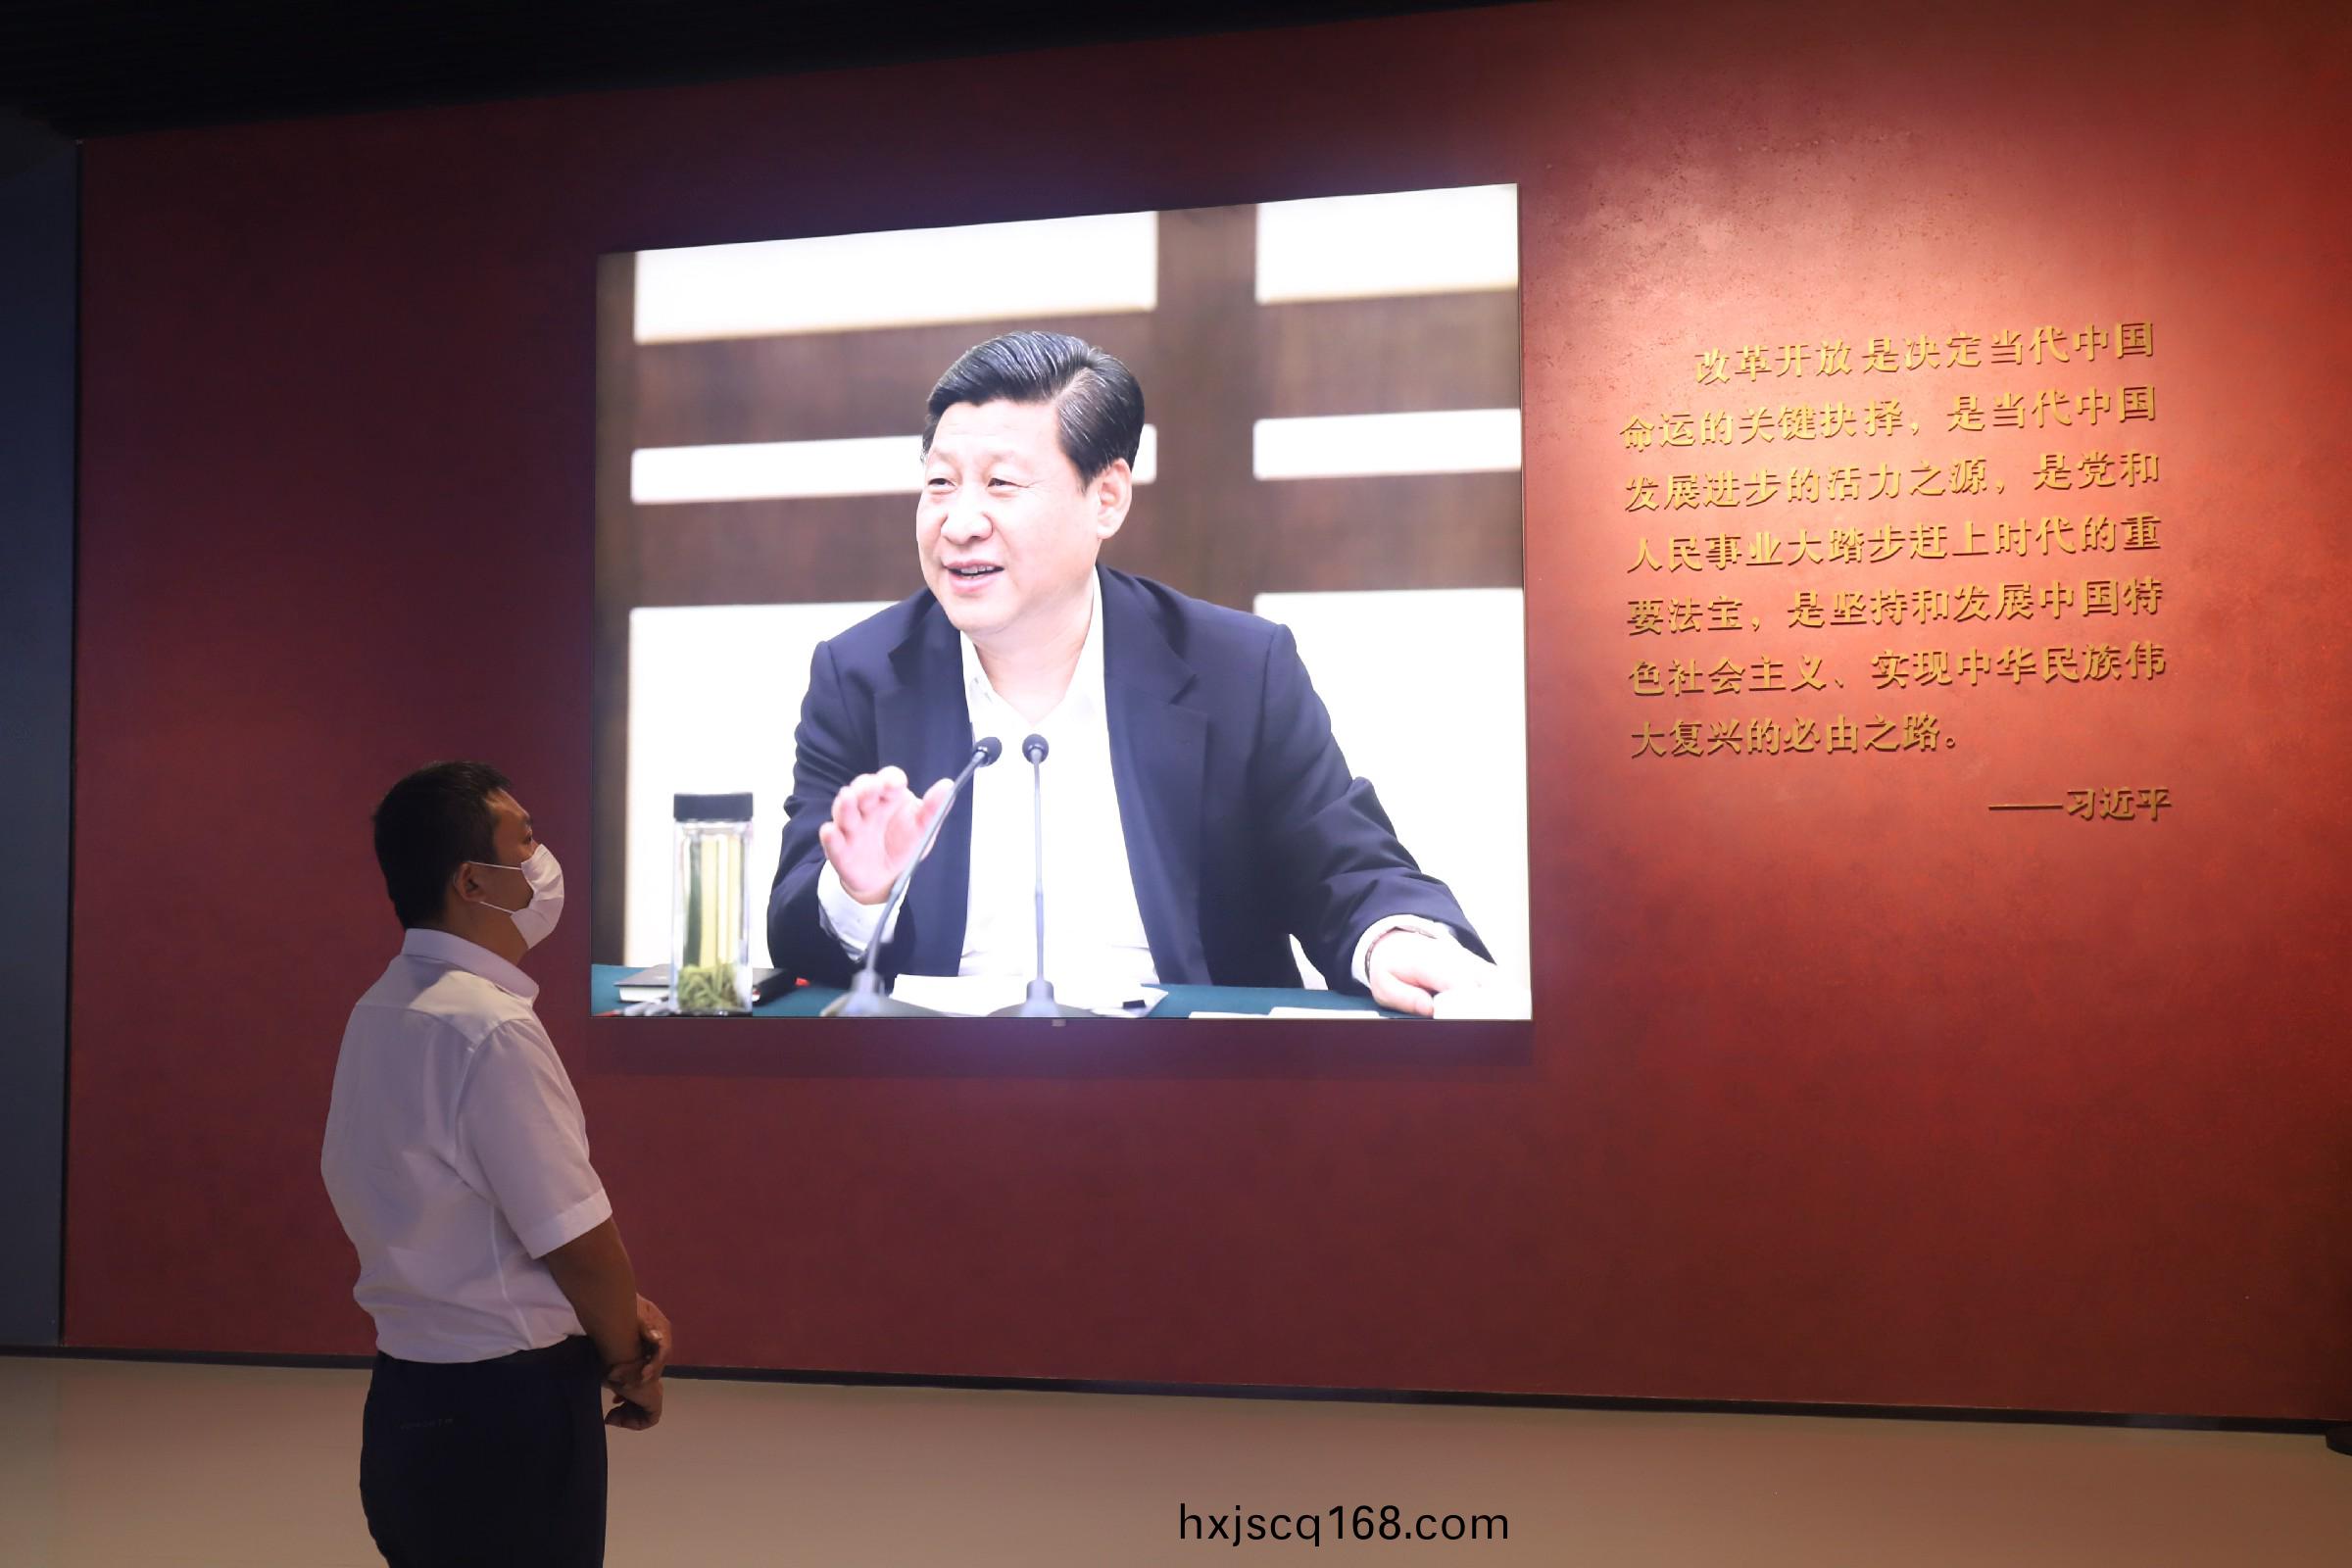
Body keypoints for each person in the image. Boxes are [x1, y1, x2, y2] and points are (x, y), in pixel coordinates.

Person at [766, 331, 1498, 1015]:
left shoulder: (1238, 669)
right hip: (937, 1081)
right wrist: (858, 893)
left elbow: (1347, 866)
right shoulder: (859, 676)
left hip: (1185, 1080)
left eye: (1001, 484)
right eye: (940, 484)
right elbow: (795, 937)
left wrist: (1393, 940)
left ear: (1106, 498)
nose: (959, 523)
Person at [324, 761, 671, 1567]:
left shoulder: (381, 1008)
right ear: (473, 881)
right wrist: (633, 1360)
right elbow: (577, 1242)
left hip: (407, 1399)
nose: (542, 861)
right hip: (506, 1415)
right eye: (526, 840)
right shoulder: (490, 1029)